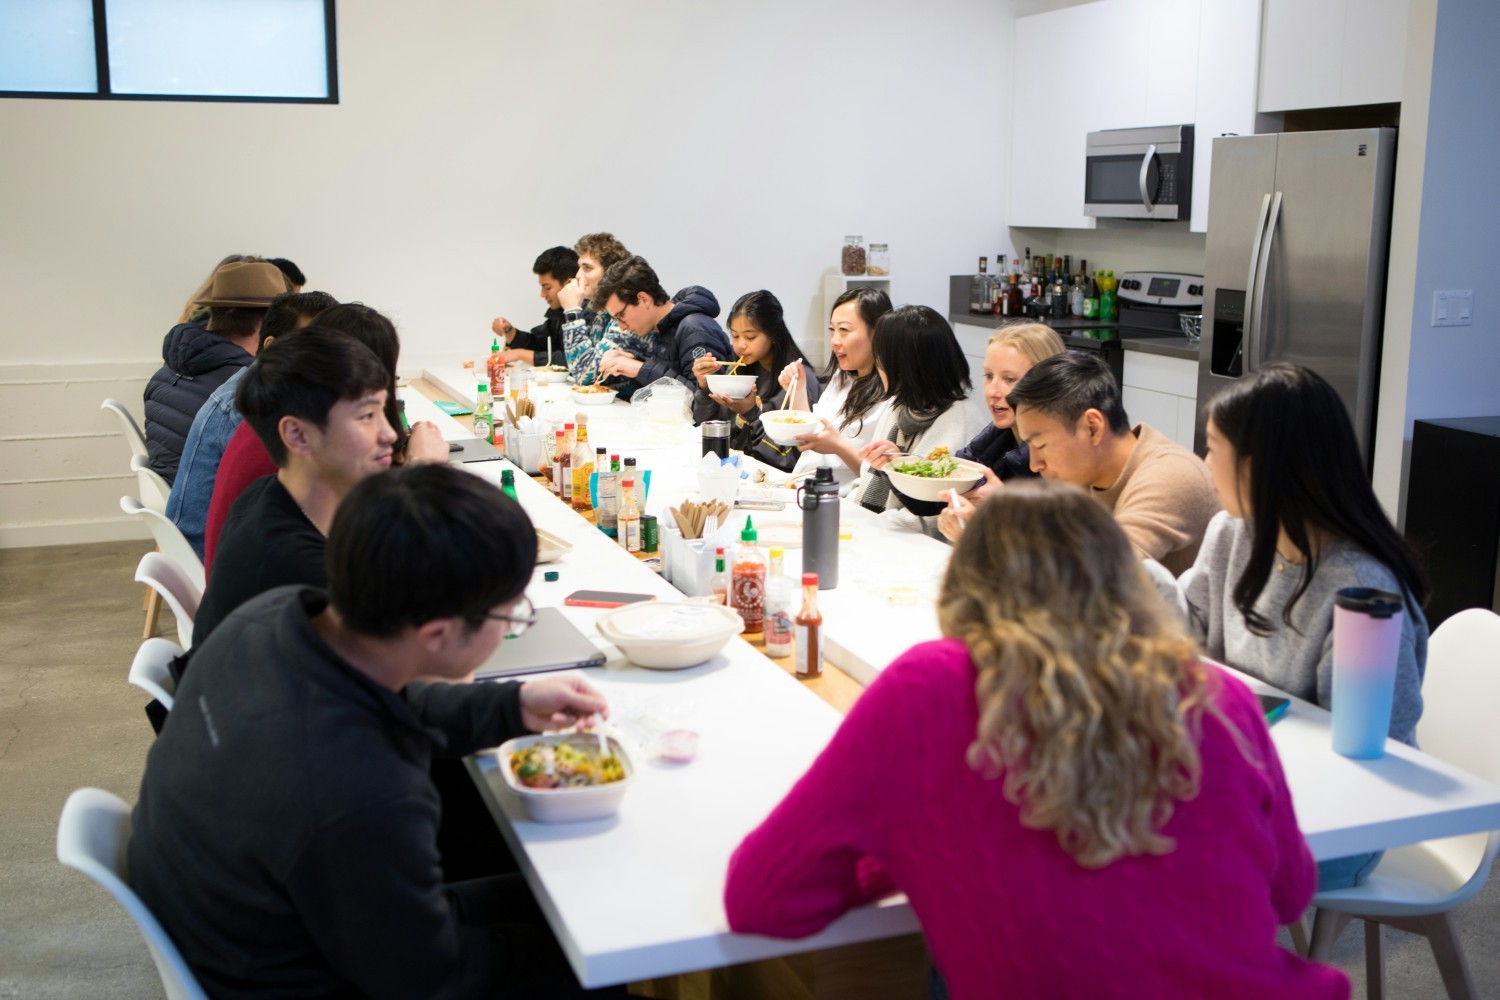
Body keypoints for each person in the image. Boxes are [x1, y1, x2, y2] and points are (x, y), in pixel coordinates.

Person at [724, 481, 1348, 1000]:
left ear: (965, 586)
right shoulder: (1217, 696)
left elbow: (764, 900)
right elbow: (1290, 894)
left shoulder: (931, 687)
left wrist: (908, 848)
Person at [129, 463, 620, 999]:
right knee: (607, 950)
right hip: (306, 974)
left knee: (580, 900)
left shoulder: (270, 619)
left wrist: (513, 705)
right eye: (511, 617)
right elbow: (432, 979)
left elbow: (394, 699)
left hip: (264, 924)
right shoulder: (360, 790)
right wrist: (590, 956)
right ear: (436, 633)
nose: (512, 627)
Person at [1146, 364, 1430, 890]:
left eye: (1212, 449)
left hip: (1337, 823)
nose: (1206, 466)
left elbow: (1371, 751)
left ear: (1261, 465)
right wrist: (1128, 571)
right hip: (1244, 776)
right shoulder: (1234, 530)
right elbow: (1192, 636)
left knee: (1141, 849)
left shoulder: (1361, 587)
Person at [202, 302, 447, 571]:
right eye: (366, 415)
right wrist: (424, 471)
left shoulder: (277, 474)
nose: (389, 433)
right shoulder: (298, 559)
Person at [192, 327, 398, 645]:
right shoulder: (302, 577)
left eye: (383, 411)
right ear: (298, 435)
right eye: (367, 416)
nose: (389, 434)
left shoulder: (268, 493)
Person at [1006, 351, 1219, 575]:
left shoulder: (1170, 475)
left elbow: (1100, 577)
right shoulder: (1086, 476)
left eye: (1040, 445)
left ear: (1093, 427)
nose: (1034, 464)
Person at [166, 290, 337, 559]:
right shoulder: (249, 409)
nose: (328, 360)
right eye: (312, 346)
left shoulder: (261, 388)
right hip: (209, 559)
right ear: (272, 347)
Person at [886, 322, 1066, 538]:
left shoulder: (1064, 456)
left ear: (1046, 383)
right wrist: (896, 466)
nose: (993, 391)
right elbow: (934, 501)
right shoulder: (994, 438)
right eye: (989, 376)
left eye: (1009, 379)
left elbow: (1056, 548)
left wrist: (999, 512)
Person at [144, 259, 289, 484]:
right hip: (211, 510)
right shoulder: (245, 388)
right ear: (264, 324)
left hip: (175, 501)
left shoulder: (164, 375)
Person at [853, 306, 989, 524]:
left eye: (881, 359)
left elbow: (933, 516)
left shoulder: (958, 418)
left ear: (905, 366)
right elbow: (864, 482)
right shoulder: (899, 405)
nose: (877, 366)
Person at [689, 290, 822, 470]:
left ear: (773, 335)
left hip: (776, 477)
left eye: (750, 337)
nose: (741, 344)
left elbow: (788, 457)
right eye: (735, 336)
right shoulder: (738, 372)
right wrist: (705, 387)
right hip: (737, 469)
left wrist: (751, 413)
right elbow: (710, 428)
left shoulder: (796, 379)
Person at [776, 287, 894, 483]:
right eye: (833, 330)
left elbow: (879, 484)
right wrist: (797, 391)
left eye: (844, 330)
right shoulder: (843, 377)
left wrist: (839, 447)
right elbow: (810, 437)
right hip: (802, 484)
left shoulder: (890, 394)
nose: (835, 341)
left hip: (844, 499)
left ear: (878, 332)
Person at [592, 255, 732, 394]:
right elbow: (675, 378)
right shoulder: (664, 328)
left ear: (643, 299)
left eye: (621, 316)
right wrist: (632, 360)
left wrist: (641, 369)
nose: (622, 327)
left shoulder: (695, 329)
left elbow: (708, 403)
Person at [557, 232, 653, 388]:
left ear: (610, 273)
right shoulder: (600, 312)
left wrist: (572, 312)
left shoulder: (631, 311)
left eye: (587, 268)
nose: (578, 275)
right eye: (579, 268)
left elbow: (586, 375)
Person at [491, 246, 574, 367]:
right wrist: (508, 330)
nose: (542, 294)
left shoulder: (588, 314)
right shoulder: (559, 315)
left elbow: (575, 359)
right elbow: (538, 344)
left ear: (569, 284)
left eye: (547, 288)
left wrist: (521, 354)